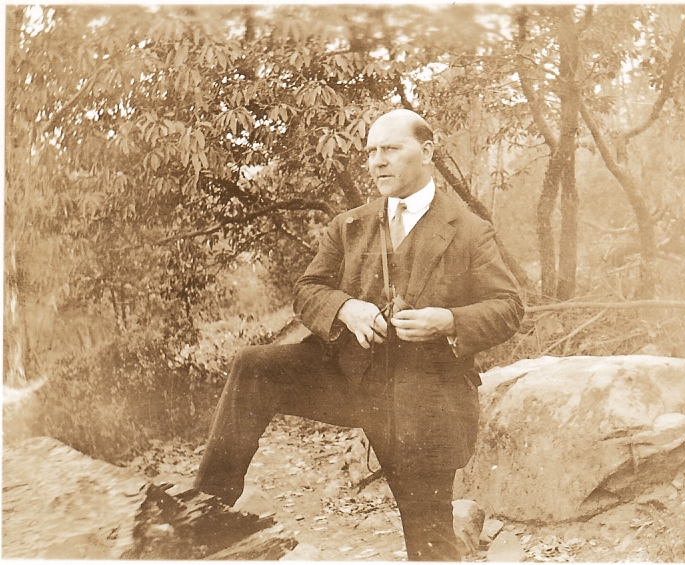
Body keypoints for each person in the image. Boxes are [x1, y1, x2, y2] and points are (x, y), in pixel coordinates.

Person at [193, 109, 524, 561]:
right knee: (255, 366)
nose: (377, 161)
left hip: (425, 398)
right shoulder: (350, 225)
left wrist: (447, 320)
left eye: (391, 149)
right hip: (349, 381)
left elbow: (509, 307)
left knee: (429, 541)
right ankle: (206, 510)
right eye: (371, 151)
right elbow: (307, 290)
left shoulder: (469, 229)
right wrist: (346, 308)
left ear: (427, 152)